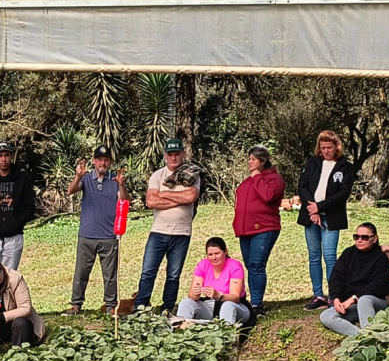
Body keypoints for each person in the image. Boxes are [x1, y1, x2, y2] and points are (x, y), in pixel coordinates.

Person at [133, 138, 201, 315]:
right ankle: (141, 306)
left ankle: (167, 307)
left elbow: (190, 198)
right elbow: (150, 201)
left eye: (177, 154)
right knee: (148, 272)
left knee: (173, 275)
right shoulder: (158, 175)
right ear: (165, 156)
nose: (173, 158)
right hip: (158, 232)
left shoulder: (192, 174)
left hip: (182, 233)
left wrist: (165, 194)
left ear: (183, 154)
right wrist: (178, 198)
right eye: (170, 154)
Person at [62, 145, 129, 316]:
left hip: (108, 235)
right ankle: (76, 305)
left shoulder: (115, 180)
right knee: (81, 272)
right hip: (87, 234)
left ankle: (110, 305)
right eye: (100, 159)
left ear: (110, 162)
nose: (103, 163)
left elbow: (125, 200)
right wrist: (78, 177)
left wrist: (122, 185)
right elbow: (71, 191)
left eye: (106, 160)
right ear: (94, 161)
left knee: (109, 274)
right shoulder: (86, 178)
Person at [297, 130, 355, 311]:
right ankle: (318, 295)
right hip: (311, 216)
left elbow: (343, 193)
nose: (326, 151)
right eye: (323, 148)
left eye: (329, 147)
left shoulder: (345, 166)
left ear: (336, 147)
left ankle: (333, 296)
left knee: (330, 257)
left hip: (331, 216)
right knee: (314, 256)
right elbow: (302, 186)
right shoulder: (313, 162)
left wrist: (320, 207)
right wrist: (311, 208)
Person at [232, 145, 285, 317]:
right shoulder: (248, 180)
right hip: (245, 230)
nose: (249, 161)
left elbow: (267, 196)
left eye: (253, 159)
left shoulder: (274, 179)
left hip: (264, 228)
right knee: (250, 266)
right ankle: (250, 301)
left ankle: (257, 304)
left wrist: (257, 177)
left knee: (256, 265)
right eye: (249, 158)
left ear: (262, 161)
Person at [319, 223, 389, 336]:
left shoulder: (380, 258)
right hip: (351, 305)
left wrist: (353, 298)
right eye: (356, 237)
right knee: (326, 316)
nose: (359, 240)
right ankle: (362, 336)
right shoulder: (348, 254)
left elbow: (376, 286)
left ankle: (369, 332)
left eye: (364, 237)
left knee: (364, 300)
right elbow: (336, 277)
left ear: (374, 238)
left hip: (373, 301)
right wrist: (336, 298)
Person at [177, 237, 250, 325]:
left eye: (217, 253)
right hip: (210, 306)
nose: (213, 257)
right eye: (210, 255)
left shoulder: (235, 266)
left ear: (225, 251)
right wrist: (195, 294)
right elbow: (191, 295)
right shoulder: (203, 265)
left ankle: (226, 335)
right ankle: (180, 331)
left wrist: (219, 295)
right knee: (186, 302)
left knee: (227, 306)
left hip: (235, 306)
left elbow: (235, 297)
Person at [0, 142, 36, 270]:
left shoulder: (22, 179)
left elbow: (30, 205)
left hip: (13, 237)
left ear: (11, 156)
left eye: (6, 155)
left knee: (9, 277)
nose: (3, 159)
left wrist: (18, 222)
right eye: (0, 155)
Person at [0, 259, 45, 347]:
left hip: (11, 324)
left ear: (3, 273)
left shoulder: (15, 278)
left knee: (21, 323)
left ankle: (18, 354)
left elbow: (26, 308)